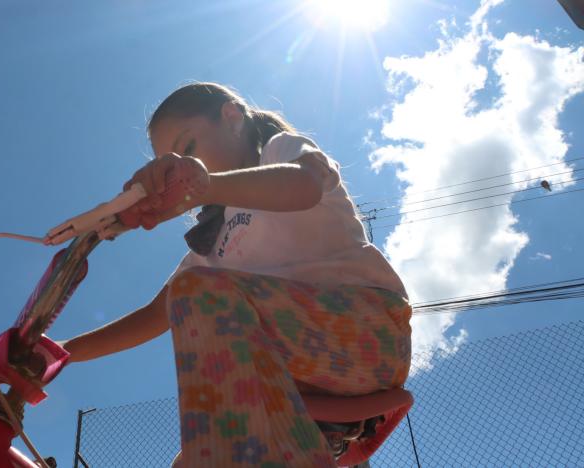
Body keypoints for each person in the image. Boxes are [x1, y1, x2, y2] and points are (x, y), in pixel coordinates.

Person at [60, 82, 412, 467]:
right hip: (300, 378)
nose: (180, 171)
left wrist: (204, 186)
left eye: (188, 147)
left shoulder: (280, 152)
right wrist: (54, 356)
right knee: (191, 462)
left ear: (232, 118)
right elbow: (152, 316)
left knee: (196, 293)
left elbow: (304, 186)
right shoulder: (213, 247)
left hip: (368, 331)